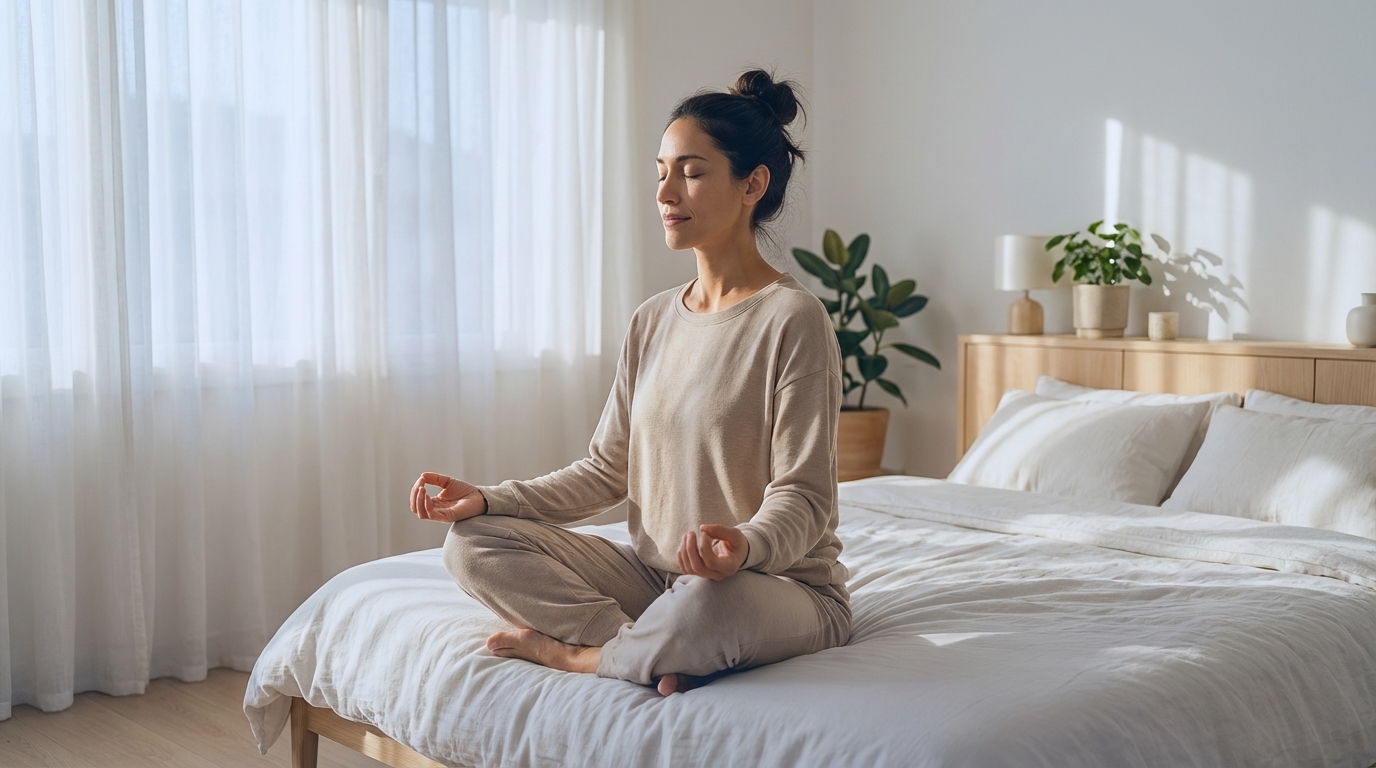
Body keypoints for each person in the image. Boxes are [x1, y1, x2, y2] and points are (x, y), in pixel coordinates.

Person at [409, 69, 849, 697]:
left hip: (772, 586)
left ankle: (576, 657)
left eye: (691, 172)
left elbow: (805, 500)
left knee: (706, 604)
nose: (666, 191)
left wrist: (742, 548)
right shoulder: (652, 319)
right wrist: (487, 499)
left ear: (753, 184)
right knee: (472, 544)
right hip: (654, 579)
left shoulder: (793, 318)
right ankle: (644, 646)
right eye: (661, 171)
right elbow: (605, 471)